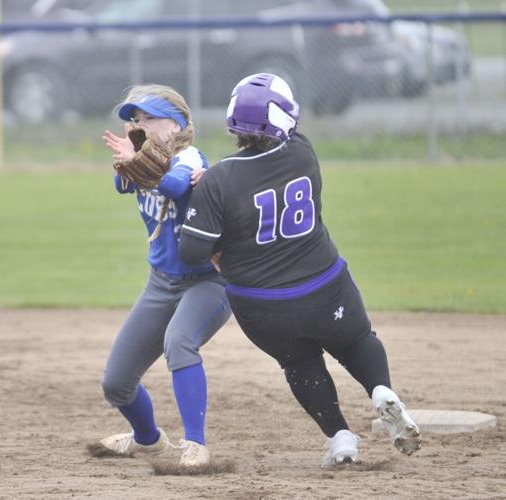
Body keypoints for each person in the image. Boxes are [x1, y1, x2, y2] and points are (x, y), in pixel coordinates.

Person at [178, 73, 422, 467]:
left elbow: (191, 251)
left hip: (261, 305)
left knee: (300, 363)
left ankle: (341, 440)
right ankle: (380, 391)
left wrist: (200, 198)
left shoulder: (218, 180)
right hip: (326, 286)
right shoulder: (303, 152)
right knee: (357, 340)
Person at [94, 84, 232, 468]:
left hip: (207, 282)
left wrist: (144, 162)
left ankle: (196, 445)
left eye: (151, 117)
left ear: (178, 124)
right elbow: (122, 184)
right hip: (161, 282)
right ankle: (148, 440)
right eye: (137, 120)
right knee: (116, 384)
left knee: (180, 342)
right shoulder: (142, 157)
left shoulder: (189, 157)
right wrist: (133, 159)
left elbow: (173, 184)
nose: (141, 125)